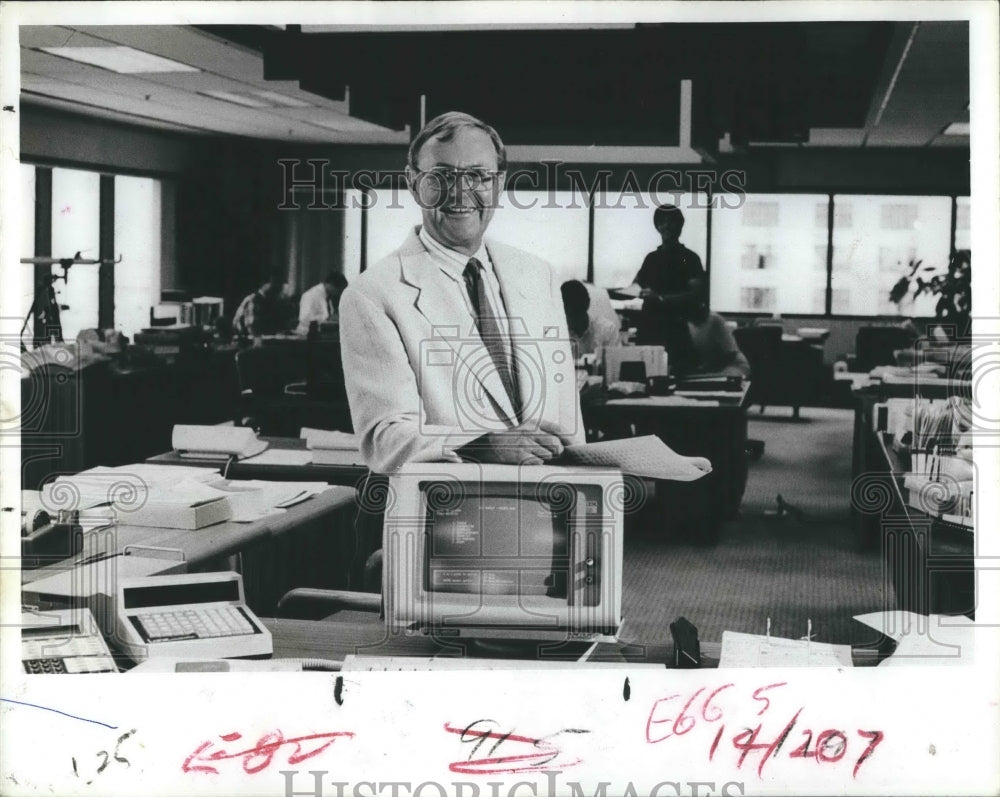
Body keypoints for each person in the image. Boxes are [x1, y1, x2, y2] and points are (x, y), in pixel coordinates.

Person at [339, 111, 583, 474]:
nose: (460, 192)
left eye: (478, 176)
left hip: (552, 492)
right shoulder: (372, 295)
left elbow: (567, 413)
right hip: (451, 499)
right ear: (413, 183)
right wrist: (484, 445)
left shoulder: (538, 275)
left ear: (499, 184)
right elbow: (384, 437)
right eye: (441, 176)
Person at [630, 204, 706, 372]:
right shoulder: (651, 258)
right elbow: (635, 286)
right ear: (657, 226)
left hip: (676, 331)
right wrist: (609, 292)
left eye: (671, 221)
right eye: (662, 222)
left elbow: (696, 295)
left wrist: (660, 298)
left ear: (680, 225)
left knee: (676, 377)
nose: (666, 226)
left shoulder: (690, 258)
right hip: (649, 329)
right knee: (646, 376)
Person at [560, 280, 620, 368]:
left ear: (587, 305)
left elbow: (615, 366)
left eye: (578, 313)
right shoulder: (555, 335)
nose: (574, 320)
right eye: (570, 314)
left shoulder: (607, 330)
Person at [684, 302, 751, 378]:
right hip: (708, 369)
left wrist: (705, 369)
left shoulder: (715, 320)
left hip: (733, 366)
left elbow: (731, 355)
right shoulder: (687, 324)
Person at [297, 271, 348, 335]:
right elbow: (303, 318)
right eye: (337, 290)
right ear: (330, 285)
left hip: (321, 334)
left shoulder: (327, 297)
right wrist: (327, 319)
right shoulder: (310, 295)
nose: (337, 293)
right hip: (306, 335)